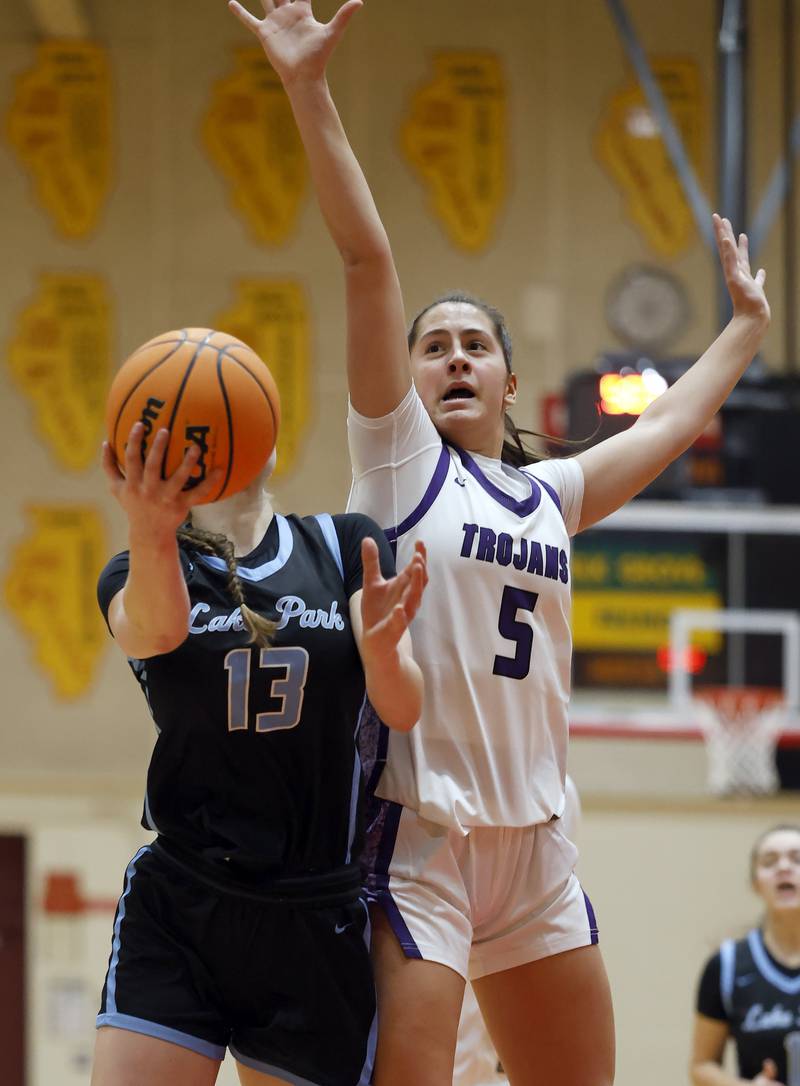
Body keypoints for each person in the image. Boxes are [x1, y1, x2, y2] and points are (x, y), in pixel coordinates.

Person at [229, 5, 770, 1084]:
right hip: (419, 831)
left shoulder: (550, 496)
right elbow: (364, 256)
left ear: (510, 382)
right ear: (410, 378)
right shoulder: (396, 462)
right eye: (434, 348)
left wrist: (744, 330)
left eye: (476, 346)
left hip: (534, 842)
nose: (453, 359)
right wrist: (306, 88)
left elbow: (663, 429)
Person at [90, 418, 426, 1086]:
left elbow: (403, 707)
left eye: (234, 418)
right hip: (186, 895)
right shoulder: (138, 568)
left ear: (270, 438)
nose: (223, 435)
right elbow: (153, 629)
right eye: (201, 429)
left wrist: (385, 654)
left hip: (314, 908)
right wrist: (151, 526)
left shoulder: (343, 543)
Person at [691, 825, 800, 1086]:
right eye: (769, 861)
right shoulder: (726, 965)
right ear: (755, 883)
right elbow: (701, 1066)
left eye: (797, 859)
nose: (784, 868)